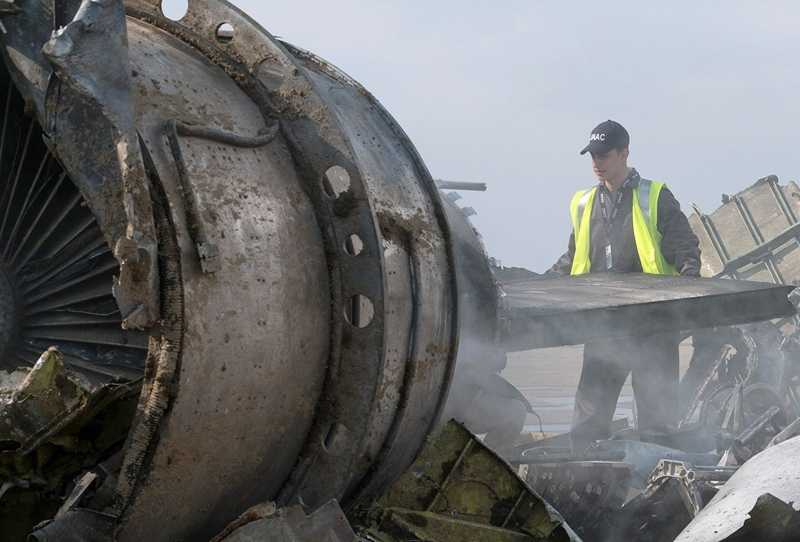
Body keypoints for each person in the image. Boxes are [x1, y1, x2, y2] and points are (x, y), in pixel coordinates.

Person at [550, 120, 701, 452]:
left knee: (656, 426)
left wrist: (686, 302)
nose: (597, 162)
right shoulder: (583, 203)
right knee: (587, 427)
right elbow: (574, 258)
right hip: (604, 329)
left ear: (624, 153)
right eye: (592, 155)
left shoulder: (655, 196)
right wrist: (539, 288)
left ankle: (658, 495)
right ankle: (586, 490)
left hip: (653, 328)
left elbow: (686, 251)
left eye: (604, 155)